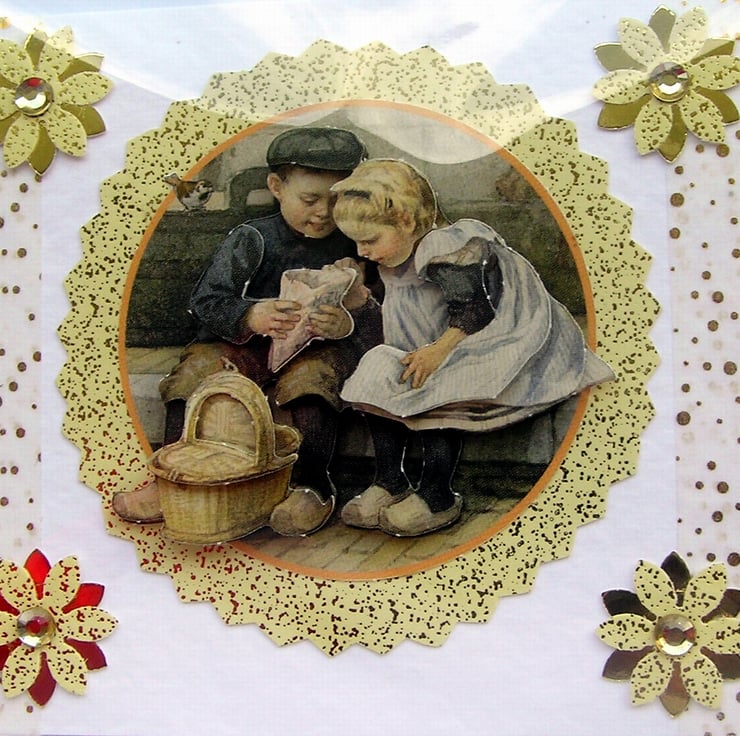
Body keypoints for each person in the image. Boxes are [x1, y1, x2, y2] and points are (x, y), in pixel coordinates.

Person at [114, 127, 382, 536]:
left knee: (313, 381)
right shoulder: (251, 238)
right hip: (245, 347)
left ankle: (311, 487)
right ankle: (171, 478)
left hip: (316, 351)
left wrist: (347, 320)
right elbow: (206, 301)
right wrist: (251, 314)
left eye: (337, 199)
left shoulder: (360, 244)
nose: (324, 212)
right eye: (310, 199)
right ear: (276, 187)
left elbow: (380, 315)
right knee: (193, 373)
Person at [330, 159, 615, 537]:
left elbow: (475, 310)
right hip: (422, 346)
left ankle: (437, 494)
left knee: (437, 397)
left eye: (369, 240)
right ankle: (390, 481)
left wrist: (438, 351)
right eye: (356, 241)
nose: (362, 250)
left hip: (473, 341)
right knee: (376, 372)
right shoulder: (392, 255)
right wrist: (358, 299)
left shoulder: (445, 247)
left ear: (406, 222)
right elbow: (395, 315)